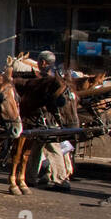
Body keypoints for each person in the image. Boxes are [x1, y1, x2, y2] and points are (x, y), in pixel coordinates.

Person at [35, 49, 73, 191]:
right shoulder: (58, 76)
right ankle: (30, 176)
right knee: (36, 147)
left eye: (39, 62)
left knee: (53, 148)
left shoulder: (47, 78)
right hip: (50, 117)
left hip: (47, 118)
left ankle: (61, 180)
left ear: (43, 63)